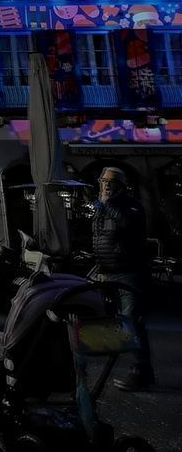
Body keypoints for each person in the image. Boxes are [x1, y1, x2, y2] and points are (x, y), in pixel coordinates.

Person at [91, 167, 154, 391]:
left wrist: (106, 204)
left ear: (121, 185)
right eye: (103, 180)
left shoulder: (132, 206)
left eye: (112, 182)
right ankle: (124, 364)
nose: (106, 185)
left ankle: (141, 372)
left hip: (129, 274)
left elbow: (127, 224)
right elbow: (101, 238)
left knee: (132, 321)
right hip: (110, 272)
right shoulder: (103, 207)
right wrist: (100, 265)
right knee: (117, 320)